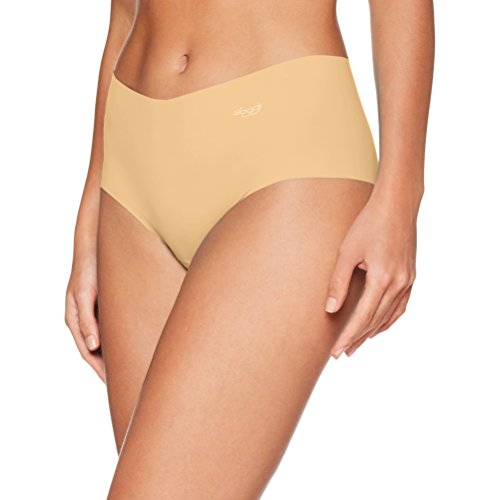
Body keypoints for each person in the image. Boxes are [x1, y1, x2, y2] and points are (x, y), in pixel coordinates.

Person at [65, 0, 434, 496]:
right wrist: (91, 212)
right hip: (131, 170)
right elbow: (123, 14)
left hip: (284, 153)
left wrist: (401, 195)